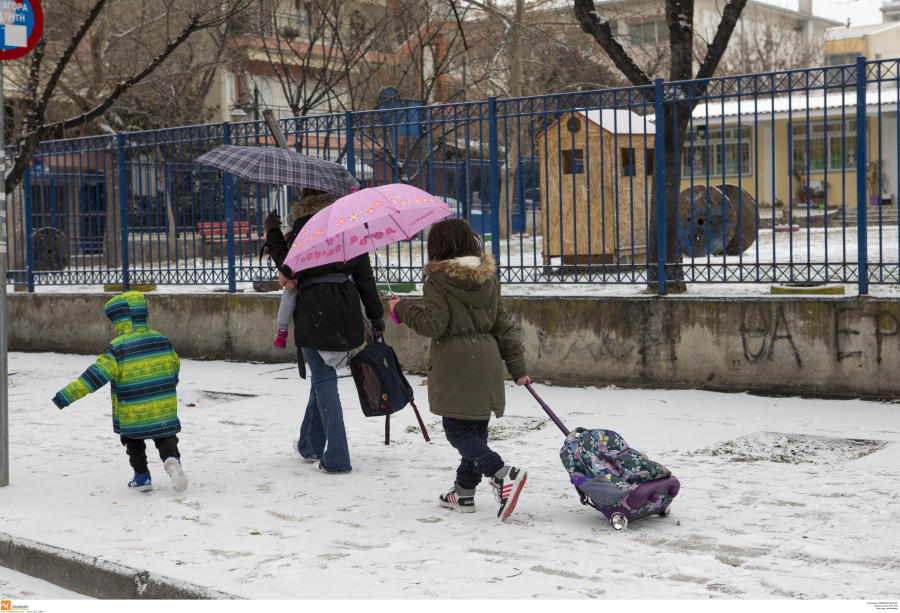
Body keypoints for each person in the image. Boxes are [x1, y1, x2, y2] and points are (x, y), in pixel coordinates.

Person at [390, 218, 531, 522]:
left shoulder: (437, 281)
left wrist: (400, 308)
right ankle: (463, 491)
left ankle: (501, 472)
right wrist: (517, 366)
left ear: (437, 247)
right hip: (487, 360)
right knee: (476, 430)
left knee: (457, 430)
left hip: (456, 363)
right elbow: (502, 325)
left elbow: (433, 325)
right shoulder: (488, 279)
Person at [264, 193, 385, 474]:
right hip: (346, 308)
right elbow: (365, 276)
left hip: (314, 309)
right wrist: (375, 315)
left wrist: (272, 232)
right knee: (321, 377)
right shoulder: (349, 228)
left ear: (303, 202)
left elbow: (288, 269)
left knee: (324, 379)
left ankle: (339, 456)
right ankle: (310, 445)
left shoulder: (304, 230)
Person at [51, 291, 187, 493]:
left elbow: (94, 377)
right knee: (165, 435)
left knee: (133, 440)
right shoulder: (162, 340)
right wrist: (167, 386)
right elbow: (174, 367)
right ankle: (171, 460)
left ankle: (142, 477)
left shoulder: (117, 348)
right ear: (143, 314)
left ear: (118, 320)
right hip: (162, 405)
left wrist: (65, 396)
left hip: (131, 409)